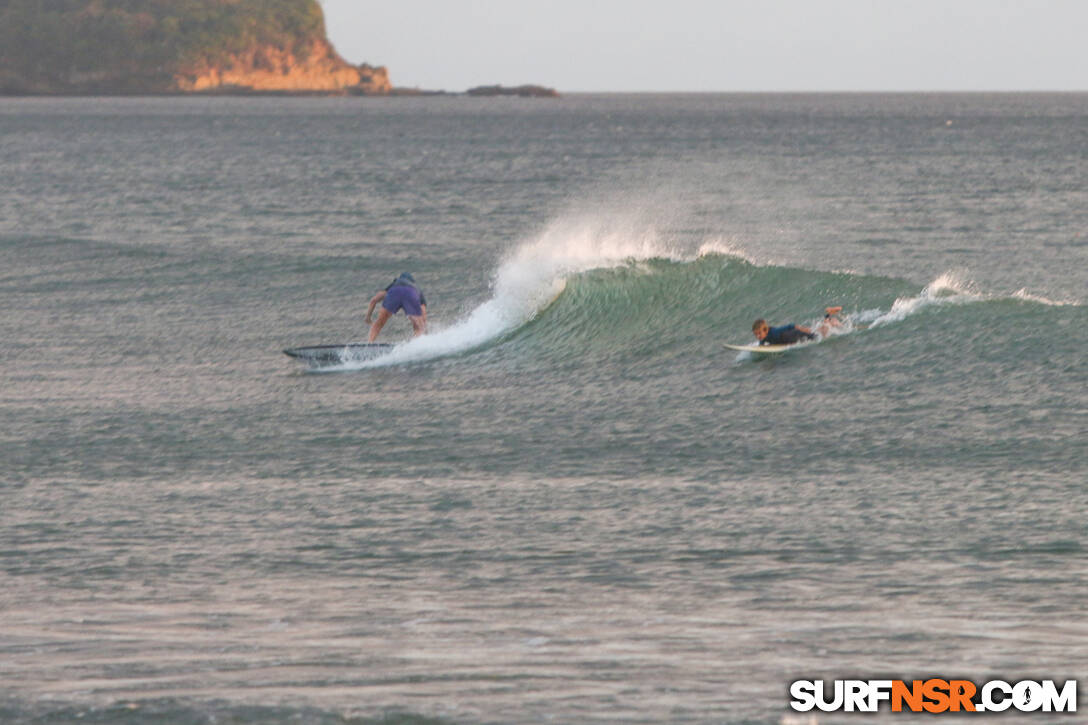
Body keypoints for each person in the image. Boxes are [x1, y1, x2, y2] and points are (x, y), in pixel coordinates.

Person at [365, 272, 427, 341]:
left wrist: (368, 317)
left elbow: (374, 300)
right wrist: (422, 327)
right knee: (418, 326)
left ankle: (370, 344)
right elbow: (423, 314)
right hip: (411, 293)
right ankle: (418, 343)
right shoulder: (416, 288)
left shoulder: (394, 284)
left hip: (394, 291)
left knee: (379, 323)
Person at [752, 306, 843, 346]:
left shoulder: (774, 332)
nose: (758, 336)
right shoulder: (763, 337)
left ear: (766, 330)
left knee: (821, 335)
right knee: (819, 331)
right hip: (792, 337)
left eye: (759, 333)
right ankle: (828, 317)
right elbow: (762, 342)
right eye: (756, 334)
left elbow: (790, 326)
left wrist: (804, 330)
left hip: (797, 334)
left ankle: (829, 316)